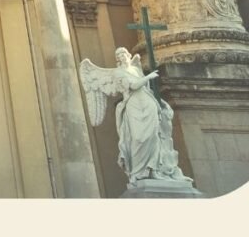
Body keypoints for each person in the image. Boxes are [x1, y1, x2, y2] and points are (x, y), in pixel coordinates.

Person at [79, 47, 190, 186]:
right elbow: (134, 85)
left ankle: (154, 170)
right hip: (133, 105)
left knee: (153, 136)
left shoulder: (136, 69)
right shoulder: (118, 73)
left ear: (128, 55)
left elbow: (146, 87)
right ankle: (138, 172)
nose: (121, 56)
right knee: (138, 138)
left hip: (147, 102)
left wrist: (157, 99)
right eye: (118, 55)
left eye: (123, 54)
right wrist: (149, 77)